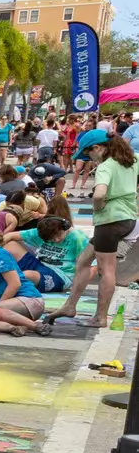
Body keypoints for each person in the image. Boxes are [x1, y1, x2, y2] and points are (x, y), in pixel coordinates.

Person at [52, 133, 138, 328]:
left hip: (110, 220)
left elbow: (99, 194)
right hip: (128, 218)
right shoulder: (131, 160)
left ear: (98, 148)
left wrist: (97, 206)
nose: (89, 158)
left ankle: (100, 317)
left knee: (106, 270)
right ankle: (70, 305)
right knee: (83, 260)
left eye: (89, 152)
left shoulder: (106, 166)